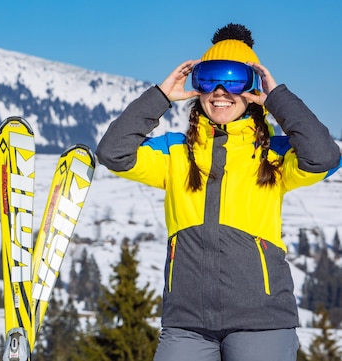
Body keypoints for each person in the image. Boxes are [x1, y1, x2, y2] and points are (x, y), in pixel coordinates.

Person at [95, 23, 342, 361]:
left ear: (252, 87)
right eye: (209, 79)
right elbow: (113, 153)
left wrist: (279, 100)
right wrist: (160, 97)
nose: (220, 92)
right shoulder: (175, 153)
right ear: (197, 86)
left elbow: (325, 157)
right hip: (186, 323)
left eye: (234, 80)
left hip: (262, 321)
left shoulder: (275, 154)